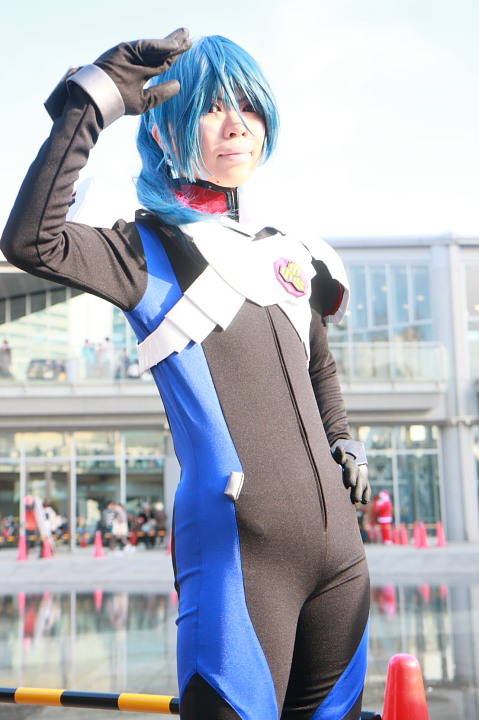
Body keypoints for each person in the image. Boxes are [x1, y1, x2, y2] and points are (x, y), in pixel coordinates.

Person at [1, 29, 371, 720]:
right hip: (239, 554)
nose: (236, 124)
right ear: (166, 125)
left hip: (341, 557)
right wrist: (93, 104)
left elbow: (317, 364)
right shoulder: (145, 248)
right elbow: (30, 240)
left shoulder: (293, 252)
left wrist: (342, 439)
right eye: (211, 107)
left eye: (248, 106)